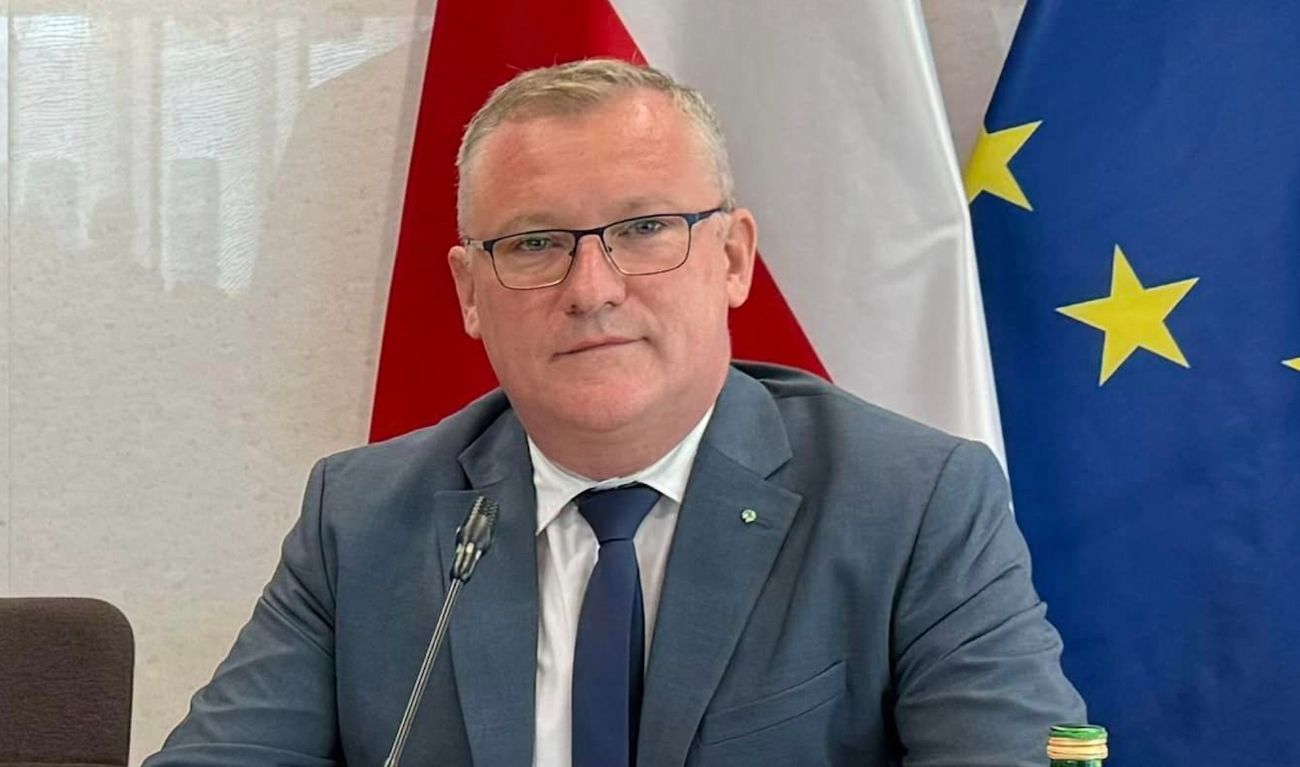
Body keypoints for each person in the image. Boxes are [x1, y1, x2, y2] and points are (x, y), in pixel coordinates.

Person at [145, 59, 1085, 767]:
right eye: (535, 243)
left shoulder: (913, 504)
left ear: (732, 259)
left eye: (643, 229)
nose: (591, 288)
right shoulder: (361, 518)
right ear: (470, 292)